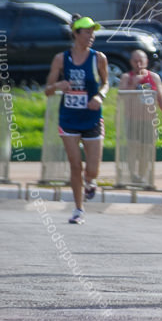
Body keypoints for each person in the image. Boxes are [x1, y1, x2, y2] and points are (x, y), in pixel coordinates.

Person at [44, 15, 109, 224]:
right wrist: (58, 86)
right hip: (69, 119)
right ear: (76, 34)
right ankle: (78, 209)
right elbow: (47, 90)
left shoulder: (98, 58)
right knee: (75, 166)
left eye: (93, 32)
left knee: (92, 170)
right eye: (87, 32)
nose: (92, 36)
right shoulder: (61, 59)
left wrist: (100, 96)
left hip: (92, 118)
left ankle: (91, 182)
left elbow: (106, 83)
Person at [119, 49, 162, 125]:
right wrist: (133, 84)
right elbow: (122, 98)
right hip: (132, 120)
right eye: (135, 61)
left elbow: (161, 97)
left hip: (150, 120)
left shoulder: (154, 77)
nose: (138, 64)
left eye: (141, 61)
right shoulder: (126, 78)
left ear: (146, 61)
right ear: (131, 62)